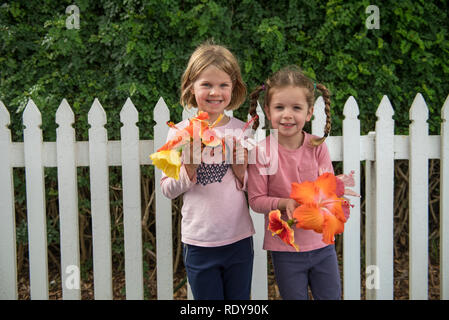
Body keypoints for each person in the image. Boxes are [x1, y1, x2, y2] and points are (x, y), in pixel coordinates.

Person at [160, 42, 255, 300]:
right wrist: (188, 169)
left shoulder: (242, 130)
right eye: (206, 85)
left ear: (234, 87)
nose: (215, 92)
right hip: (199, 242)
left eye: (224, 85)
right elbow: (167, 189)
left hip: (238, 239)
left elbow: (255, 189)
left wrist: (240, 171)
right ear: (191, 86)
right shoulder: (178, 132)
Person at [247, 65, 341, 300]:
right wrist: (283, 202)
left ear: (309, 113)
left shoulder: (317, 146)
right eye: (280, 107)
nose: (287, 115)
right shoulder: (262, 151)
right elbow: (256, 200)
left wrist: (328, 196)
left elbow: (327, 189)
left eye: (296, 108)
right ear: (268, 111)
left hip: (322, 244)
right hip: (285, 248)